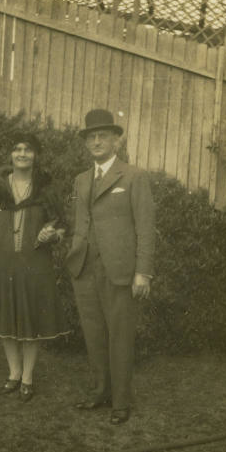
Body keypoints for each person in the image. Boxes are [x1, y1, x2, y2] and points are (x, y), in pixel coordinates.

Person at [66, 109, 155, 425]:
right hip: (85, 268)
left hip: (119, 270)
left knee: (120, 336)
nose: (97, 141)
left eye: (103, 135)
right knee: (94, 334)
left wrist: (142, 271)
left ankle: (121, 402)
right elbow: (83, 222)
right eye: (91, 136)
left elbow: (145, 226)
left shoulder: (133, 176)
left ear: (117, 140)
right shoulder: (81, 180)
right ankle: (100, 392)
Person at [0, 132, 70, 402]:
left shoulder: (46, 187)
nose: (22, 154)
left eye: (28, 149)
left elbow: (62, 224)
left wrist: (53, 234)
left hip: (35, 263)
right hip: (0, 262)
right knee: (5, 316)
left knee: (29, 319)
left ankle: (27, 377)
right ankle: (13, 373)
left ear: (36, 154)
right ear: (10, 154)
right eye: (17, 148)